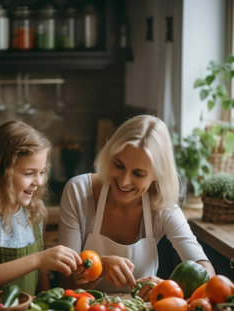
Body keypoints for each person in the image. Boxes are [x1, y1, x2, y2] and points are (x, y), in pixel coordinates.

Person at [58, 114, 215, 296]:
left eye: (138, 174)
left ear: (157, 174)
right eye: (119, 165)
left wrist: (167, 288)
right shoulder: (78, 191)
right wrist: (99, 266)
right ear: (110, 155)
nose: (124, 181)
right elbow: (66, 282)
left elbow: (205, 270)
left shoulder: (162, 206)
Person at [0, 120, 81, 298]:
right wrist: (38, 259)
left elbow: (41, 280)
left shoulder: (33, 214)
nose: (39, 182)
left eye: (42, 172)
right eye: (29, 173)